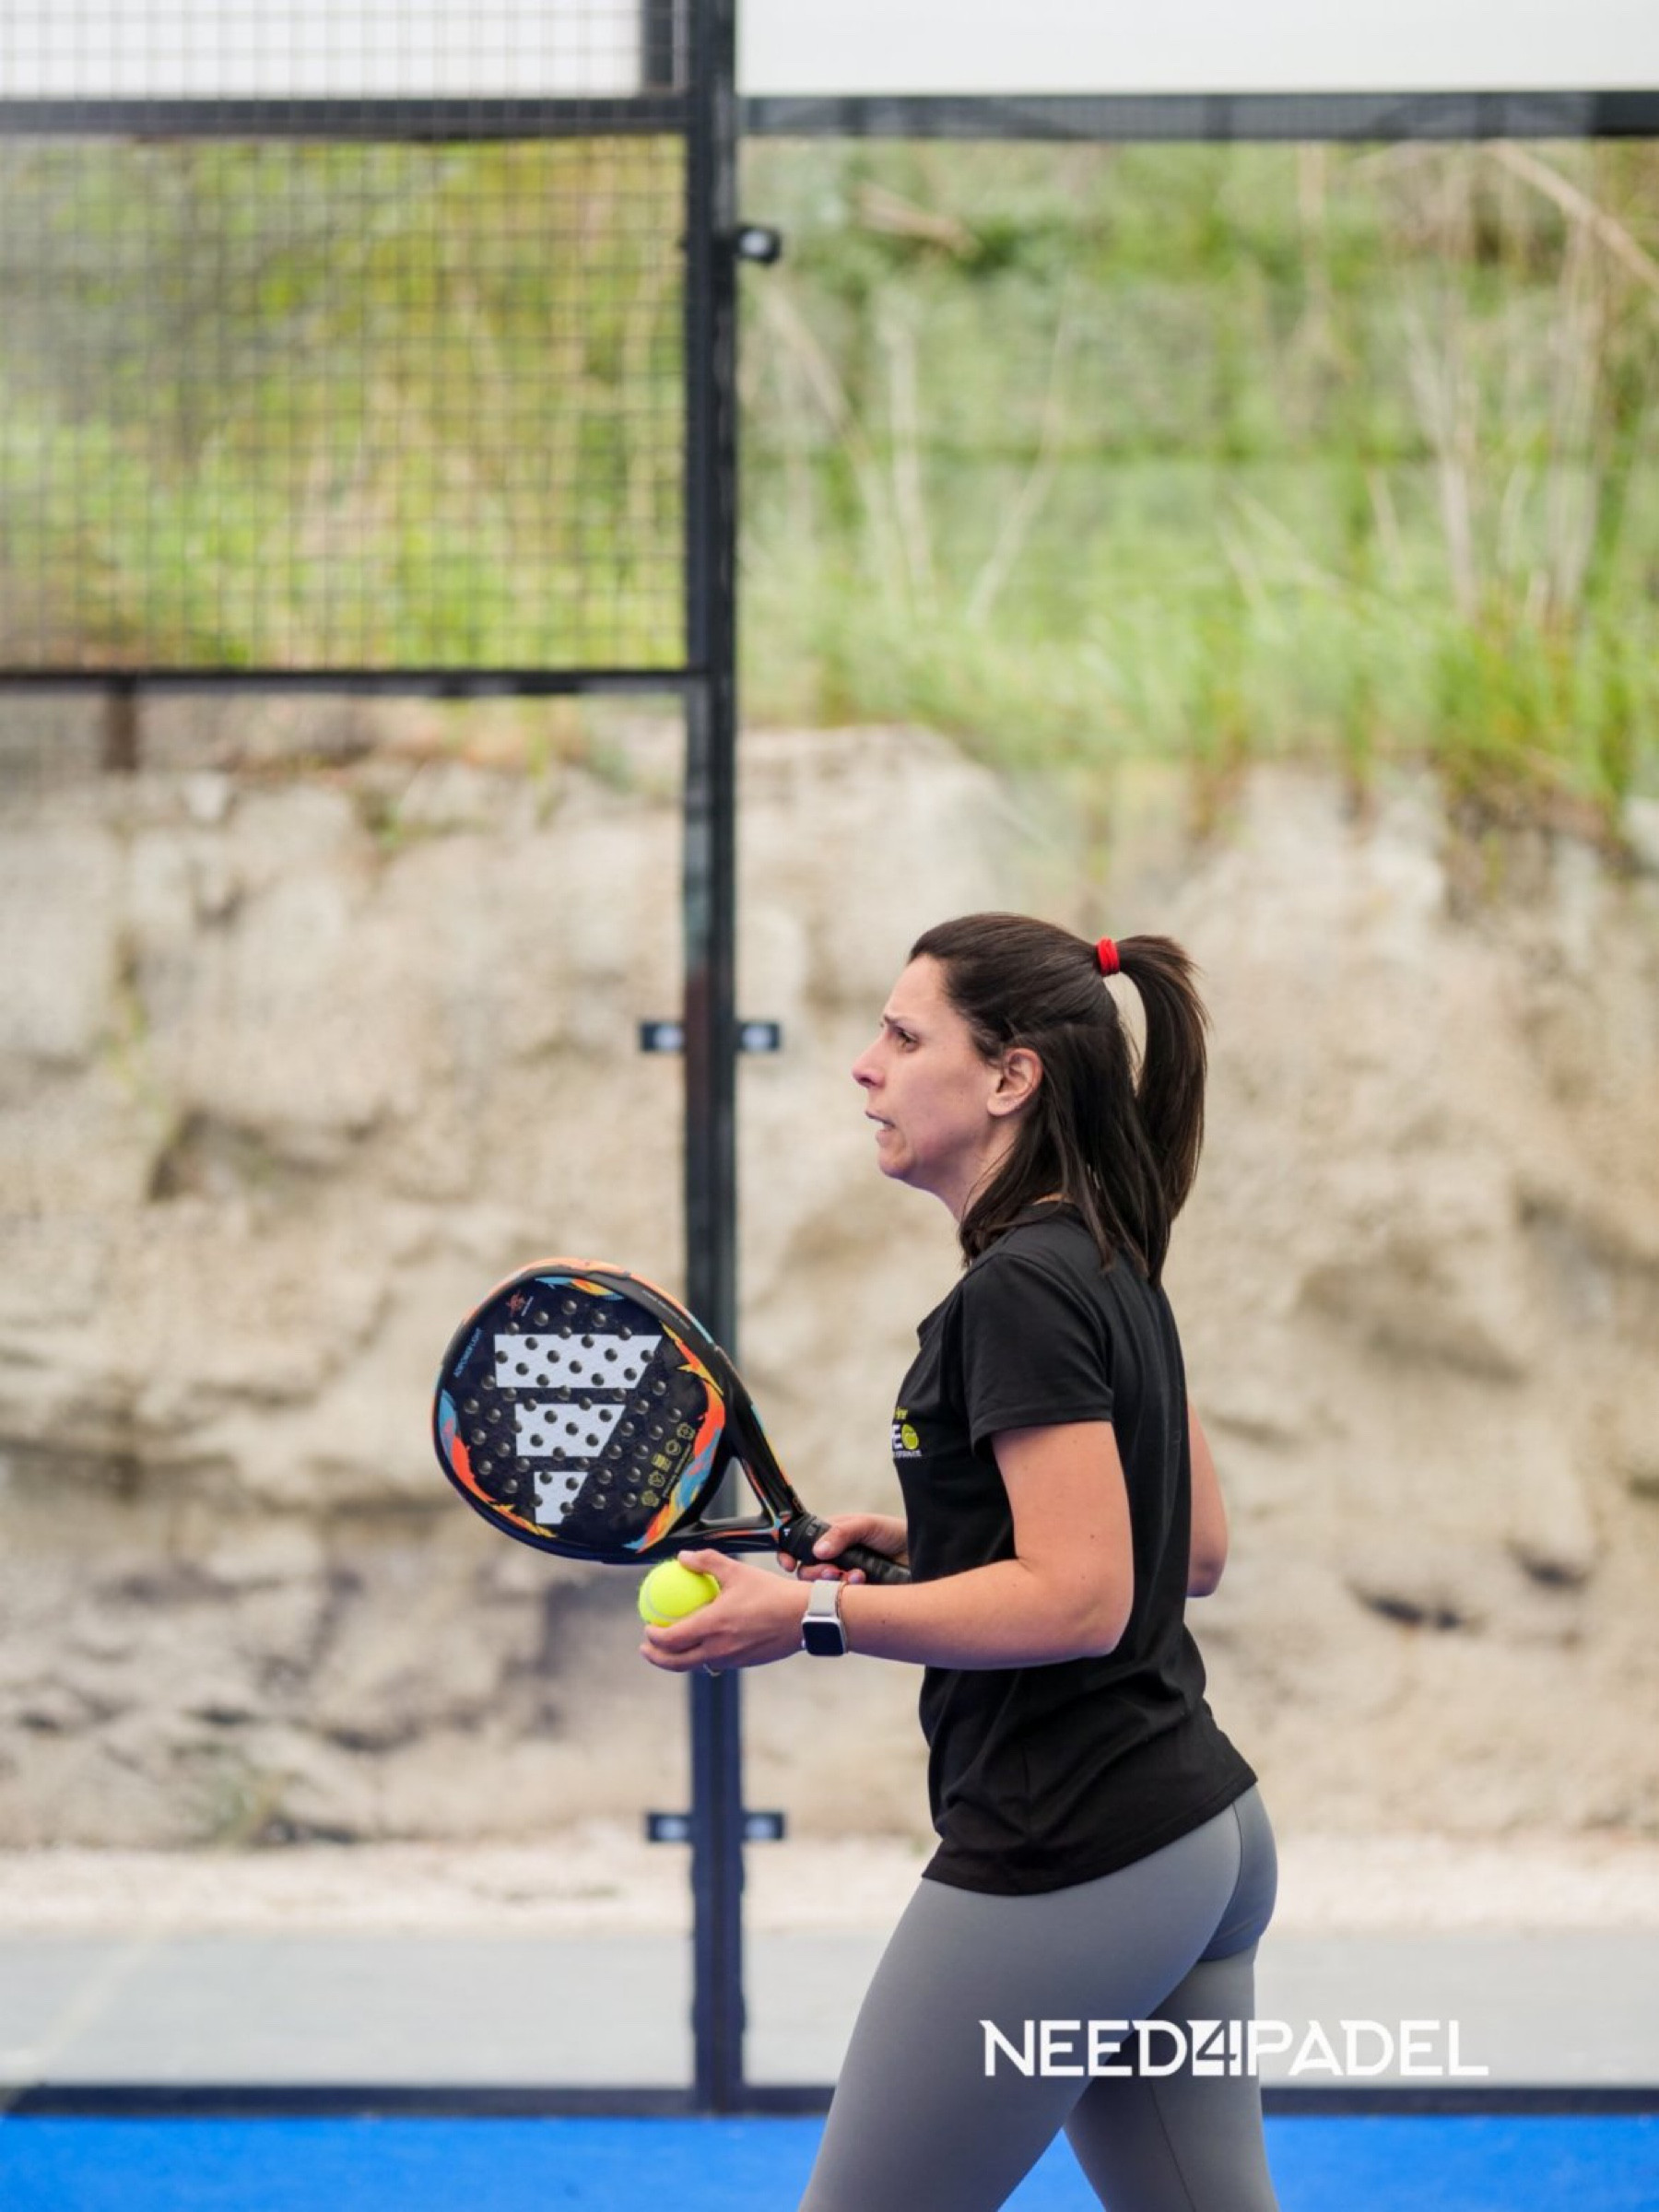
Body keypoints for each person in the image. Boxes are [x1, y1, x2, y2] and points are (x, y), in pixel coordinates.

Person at [641, 912, 1279, 2212]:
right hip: (1198, 1837)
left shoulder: (1018, 1292)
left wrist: (809, 1616)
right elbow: (1189, 1549)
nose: (864, 1064)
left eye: (903, 1034)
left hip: (1076, 1852)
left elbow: (1084, 1596)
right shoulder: (1107, 1253)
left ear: (1009, 1078)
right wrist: (933, 1542)